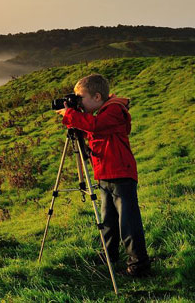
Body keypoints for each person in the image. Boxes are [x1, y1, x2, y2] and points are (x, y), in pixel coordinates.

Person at [56, 73, 151, 277]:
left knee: (128, 223)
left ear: (97, 97)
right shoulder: (102, 112)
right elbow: (92, 132)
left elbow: (95, 127)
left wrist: (71, 114)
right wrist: (75, 121)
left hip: (121, 174)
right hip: (105, 174)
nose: (79, 103)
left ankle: (138, 265)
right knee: (108, 221)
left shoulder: (115, 110)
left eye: (81, 98)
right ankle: (109, 256)